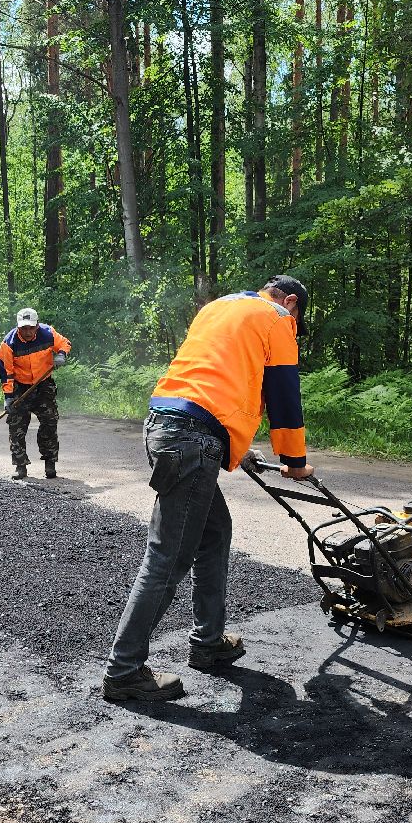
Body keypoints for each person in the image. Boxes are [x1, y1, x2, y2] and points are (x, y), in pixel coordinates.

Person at [102, 276, 315, 703]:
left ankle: (208, 641)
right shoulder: (277, 318)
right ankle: (123, 671)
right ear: (290, 302)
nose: (294, 322)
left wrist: (234, 446)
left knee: (214, 532)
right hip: (192, 441)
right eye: (297, 316)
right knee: (167, 558)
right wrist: (294, 461)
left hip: (168, 426)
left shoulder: (219, 308)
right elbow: (283, 394)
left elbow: (213, 383)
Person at [0, 307, 71, 479]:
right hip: (20, 387)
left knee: (50, 422)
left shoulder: (48, 333)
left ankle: (50, 463)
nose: (28, 332)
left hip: (43, 385)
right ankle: (20, 465)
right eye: (24, 328)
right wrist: (8, 398)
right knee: (16, 426)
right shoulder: (8, 344)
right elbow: (5, 373)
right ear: (18, 327)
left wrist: (61, 354)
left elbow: (64, 343)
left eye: (31, 327)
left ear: (37, 325)